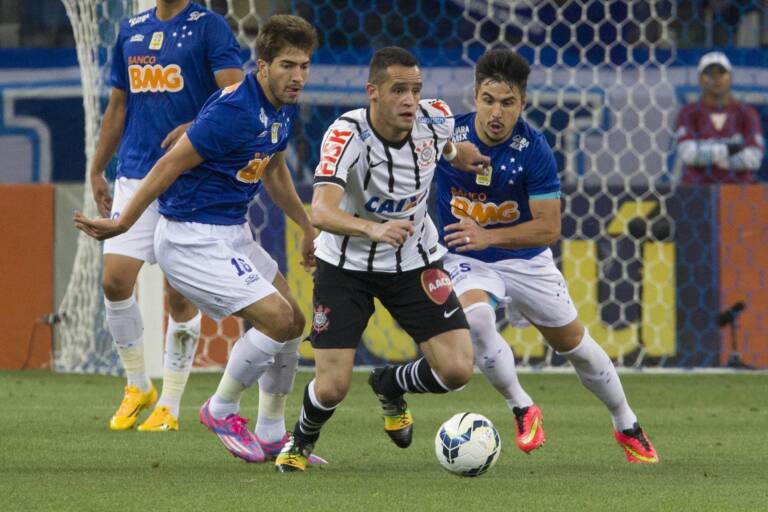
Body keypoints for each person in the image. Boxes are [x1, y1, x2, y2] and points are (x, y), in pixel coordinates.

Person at [75, 14, 326, 465]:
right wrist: (124, 222)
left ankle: (271, 433)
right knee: (277, 321)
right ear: (263, 65)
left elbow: (273, 168)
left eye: (305, 66)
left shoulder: (282, 108)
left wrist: (306, 226)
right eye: (288, 65)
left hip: (231, 232)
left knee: (294, 321)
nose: (298, 76)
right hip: (191, 238)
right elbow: (169, 165)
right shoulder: (235, 109)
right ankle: (221, 407)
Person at [434, 49, 659, 464]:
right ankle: (522, 406)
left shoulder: (533, 150)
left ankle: (626, 424)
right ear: (474, 97)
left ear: (523, 103)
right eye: (488, 100)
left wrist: (489, 234)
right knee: (478, 319)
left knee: (578, 348)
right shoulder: (446, 137)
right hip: (467, 259)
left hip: (527, 261)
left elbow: (549, 228)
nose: (496, 112)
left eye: (507, 102)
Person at [274, 46, 492, 473]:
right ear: (373, 92)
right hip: (346, 267)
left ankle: (389, 384)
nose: (410, 100)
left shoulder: (435, 118)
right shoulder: (346, 134)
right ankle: (300, 440)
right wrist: (372, 228)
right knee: (333, 386)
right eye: (399, 91)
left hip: (414, 261)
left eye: (415, 90)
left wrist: (462, 157)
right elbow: (320, 210)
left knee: (457, 370)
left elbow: (446, 148)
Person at [90, 0, 243, 432]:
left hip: (190, 176)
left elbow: (236, 94)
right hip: (135, 173)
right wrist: (97, 167)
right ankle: (138, 385)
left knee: (180, 295)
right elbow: (118, 104)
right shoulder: (131, 29)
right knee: (114, 280)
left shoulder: (210, 27)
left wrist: (197, 125)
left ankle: (171, 404)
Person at [675, 51, 765, 185]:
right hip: (697, 191)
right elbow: (688, 154)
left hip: (739, 192)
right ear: (700, 79)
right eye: (710, 73)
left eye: (721, 72)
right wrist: (730, 148)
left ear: (730, 77)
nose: (716, 78)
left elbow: (753, 158)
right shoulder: (688, 112)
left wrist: (707, 152)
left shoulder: (747, 113)